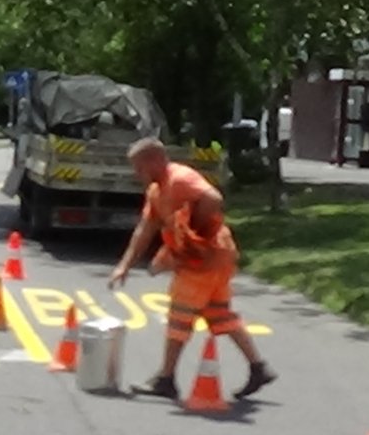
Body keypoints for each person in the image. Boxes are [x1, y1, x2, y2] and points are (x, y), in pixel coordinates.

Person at [109, 137, 276, 401]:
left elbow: (213, 198)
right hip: (218, 258)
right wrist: (124, 265)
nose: (136, 173)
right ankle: (258, 367)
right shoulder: (157, 190)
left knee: (179, 316)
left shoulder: (179, 179)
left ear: (154, 161)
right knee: (219, 314)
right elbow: (145, 229)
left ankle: (166, 379)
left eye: (139, 167)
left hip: (202, 261)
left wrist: (193, 237)